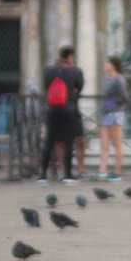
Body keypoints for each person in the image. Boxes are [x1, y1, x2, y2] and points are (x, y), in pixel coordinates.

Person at [41, 48, 85, 182]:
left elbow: (46, 87)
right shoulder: (75, 72)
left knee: (49, 141)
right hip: (69, 110)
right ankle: (67, 173)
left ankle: (43, 174)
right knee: (68, 141)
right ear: (70, 56)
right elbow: (79, 87)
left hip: (53, 109)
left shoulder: (49, 71)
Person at [97, 58, 129, 179]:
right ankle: (102, 169)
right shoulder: (110, 79)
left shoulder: (119, 79)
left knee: (116, 143)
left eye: (107, 63)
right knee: (104, 143)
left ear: (114, 65)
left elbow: (125, 97)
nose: (105, 64)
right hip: (106, 112)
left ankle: (117, 171)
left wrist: (117, 104)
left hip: (115, 112)